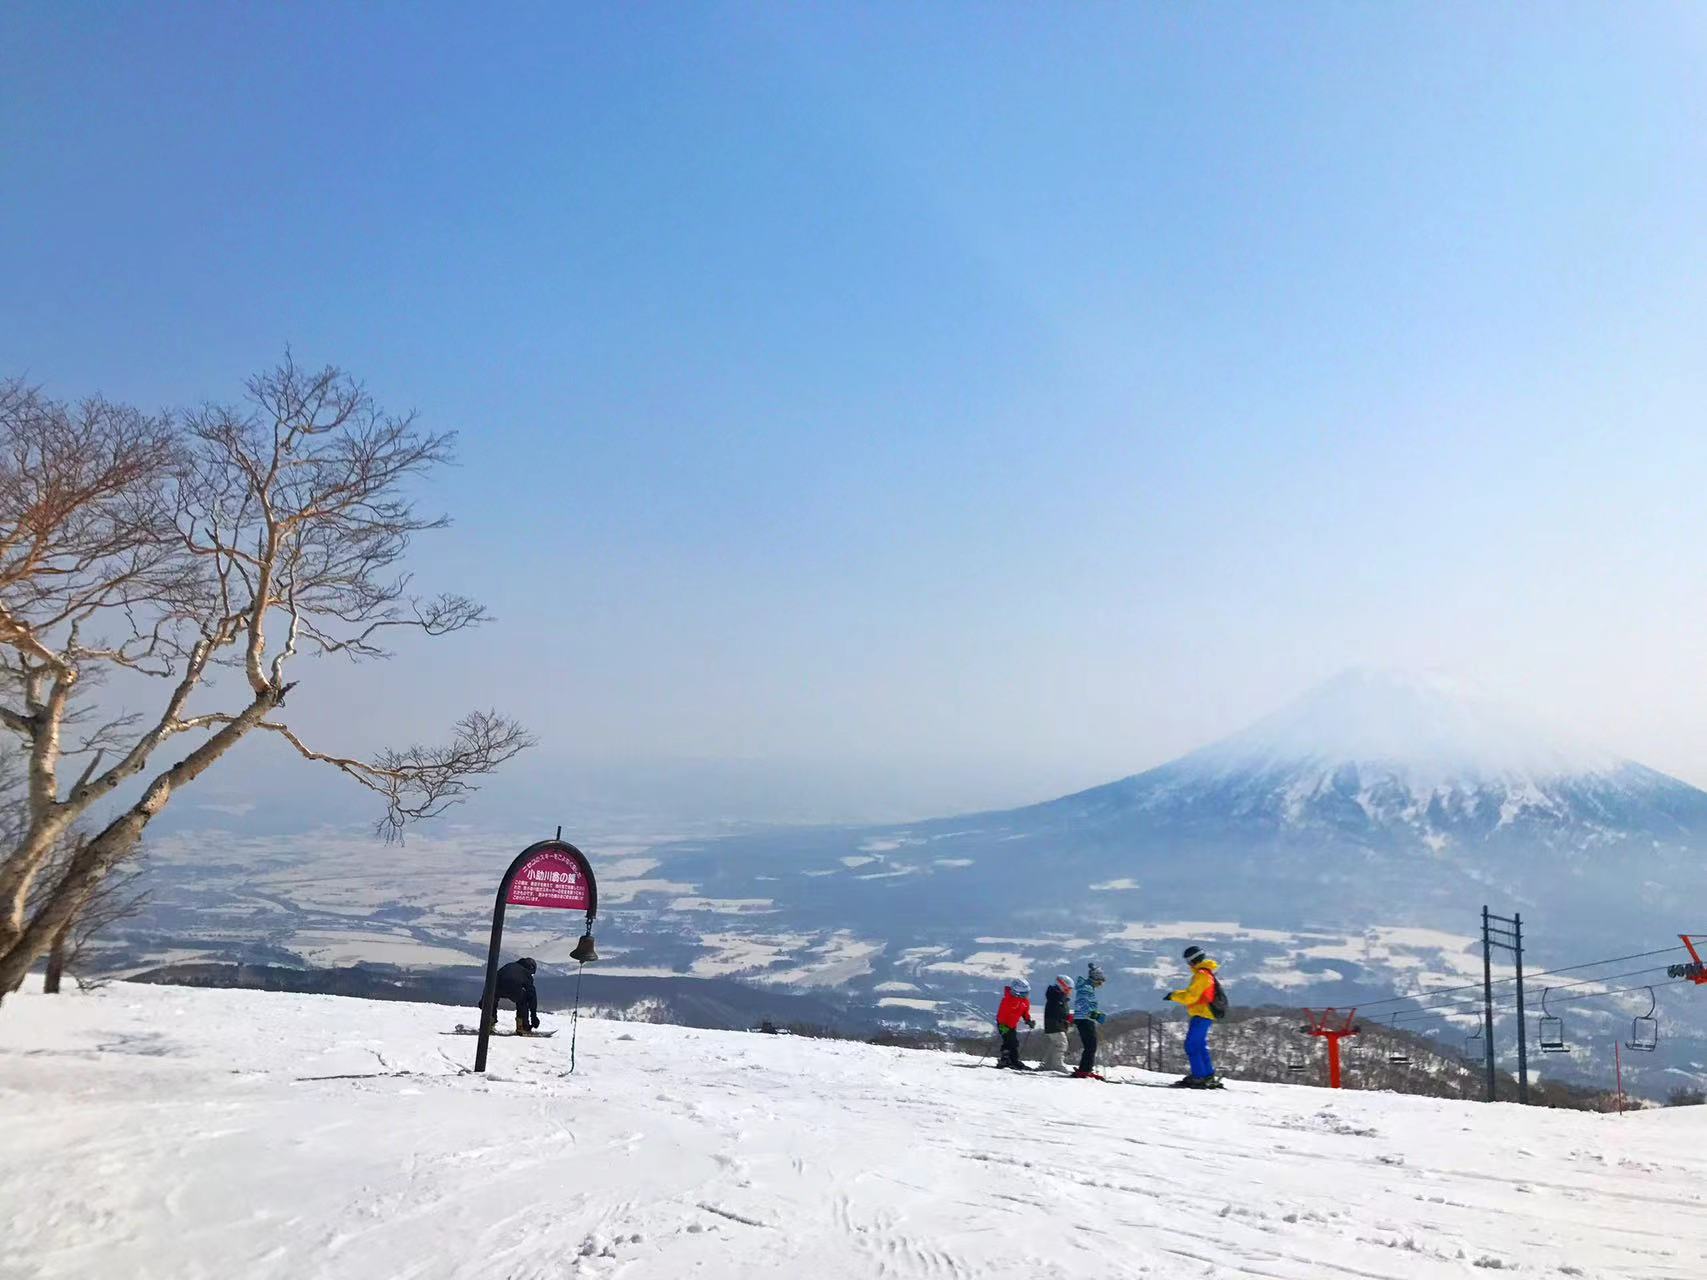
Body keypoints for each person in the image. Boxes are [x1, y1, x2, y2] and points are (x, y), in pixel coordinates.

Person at [1166, 945, 1222, 1088]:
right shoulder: (1206, 973)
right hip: (1205, 1014)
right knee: (1199, 1045)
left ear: (1192, 960)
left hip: (1202, 1014)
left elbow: (1191, 997)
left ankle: (1199, 1077)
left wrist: (1173, 995)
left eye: (1187, 961)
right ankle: (1207, 1075)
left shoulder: (1202, 975)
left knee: (1191, 1045)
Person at [1072, 962, 1107, 1078]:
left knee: (1090, 1045)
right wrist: (1094, 1014)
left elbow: (1086, 1005)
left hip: (1085, 1019)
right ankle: (1084, 1070)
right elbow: (1082, 1004)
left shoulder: (1088, 987)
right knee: (1091, 1046)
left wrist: (1095, 1014)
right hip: (1084, 1019)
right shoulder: (1086, 988)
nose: (1101, 984)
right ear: (1095, 979)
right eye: (1100, 981)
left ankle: (1086, 1069)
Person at [494, 956, 540, 1036]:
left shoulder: (508, 966)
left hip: (498, 987)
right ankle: (522, 1027)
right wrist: (534, 1017)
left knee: (492, 999)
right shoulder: (526, 973)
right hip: (515, 989)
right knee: (523, 1000)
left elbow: (492, 980)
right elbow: (532, 995)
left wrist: (484, 1000)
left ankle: (489, 1023)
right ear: (530, 968)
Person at [995, 978, 1035, 1069]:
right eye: (1024, 993)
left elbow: (1025, 1012)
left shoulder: (1024, 1001)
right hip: (1004, 1025)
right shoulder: (1008, 1000)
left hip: (1012, 1025)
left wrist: (1028, 1021)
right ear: (1017, 993)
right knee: (1011, 1042)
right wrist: (1003, 1026)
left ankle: (1008, 1060)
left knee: (1011, 1042)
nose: (1026, 995)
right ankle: (1011, 1061)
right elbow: (1002, 1014)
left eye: (1027, 993)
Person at [1039, 975, 1075, 1072]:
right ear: (1063, 987)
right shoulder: (1057, 997)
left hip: (1054, 1025)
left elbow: (1060, 1011)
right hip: (1055, 1025)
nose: (1070, 992)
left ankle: (1047, 1064)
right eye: (1069, 989)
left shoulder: (1058, 997)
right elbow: (1058, 1012)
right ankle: (1057, 1065)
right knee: (1062, 1044)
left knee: (1055, 1044)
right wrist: (1068, 1017)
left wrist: (1068, 1017)